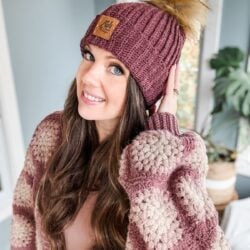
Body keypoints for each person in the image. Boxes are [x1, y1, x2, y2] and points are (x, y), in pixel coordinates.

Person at [10, 0, 230, 249]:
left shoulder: (177, 160)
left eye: (115, 69)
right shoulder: (51, 134)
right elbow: (23, 221)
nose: (89, 76)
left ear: (144, 89)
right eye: (89, 55)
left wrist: (159, 151)